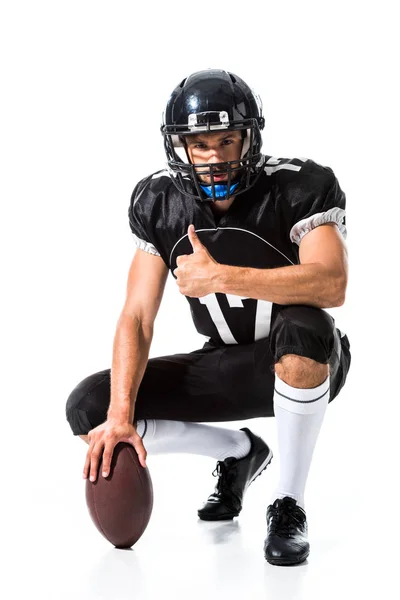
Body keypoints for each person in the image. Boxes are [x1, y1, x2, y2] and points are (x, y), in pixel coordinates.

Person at [65, 69, 351, 566]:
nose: (215, 156)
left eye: (227, 140)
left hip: (308, 361)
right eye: (201, 144)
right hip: (225, 364)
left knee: (305, 326)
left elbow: (331, 283)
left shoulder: (300, 185)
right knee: (93, 408)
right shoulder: (159, 200)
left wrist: (222, 277)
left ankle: (288, 503)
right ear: (181, 148)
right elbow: (137, 315)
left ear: (250, 138)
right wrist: (119, 417)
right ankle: (240, 451)